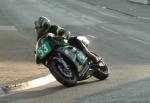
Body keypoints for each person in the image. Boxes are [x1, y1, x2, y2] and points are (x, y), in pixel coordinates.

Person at [34, 16, 99, 64]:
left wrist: (63, 36)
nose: (39, 29)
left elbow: (64, 32)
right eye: (37, 28)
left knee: (72, 39)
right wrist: (37, 54)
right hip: (53, 50)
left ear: (46, 25)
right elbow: (39, 46)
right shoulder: (39, 37)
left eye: (40, 27)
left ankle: (91, 56)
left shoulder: (53, 28)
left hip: (64, 44)